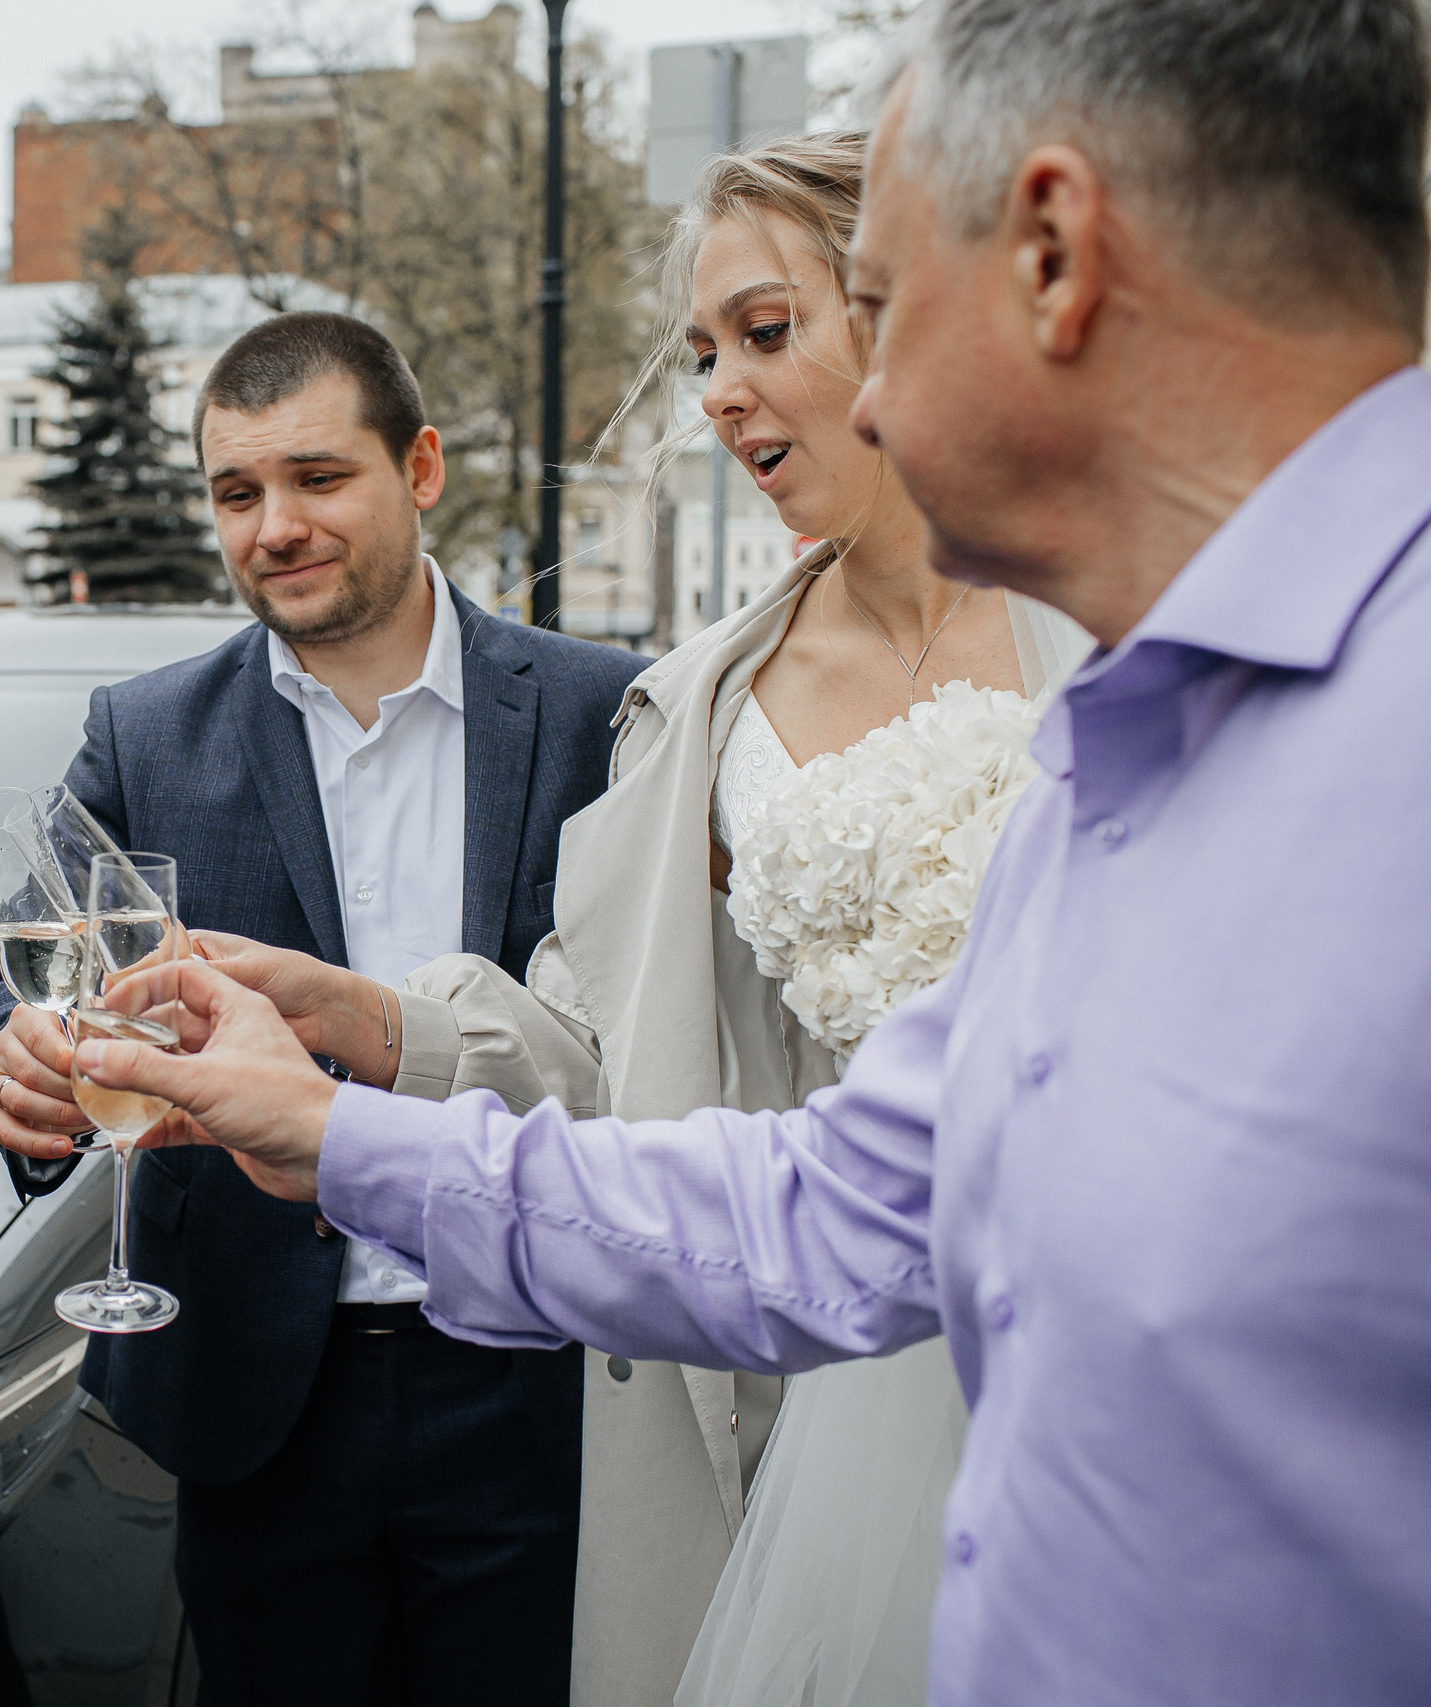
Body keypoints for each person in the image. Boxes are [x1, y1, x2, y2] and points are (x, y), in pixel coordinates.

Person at [68, 1, 1431, 1701]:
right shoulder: (1140, 725)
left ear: (1057, 257)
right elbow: (842, 1210)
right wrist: (337, 1123)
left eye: (868, 294)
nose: (721, 398)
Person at [188, 134, 1087, 1707]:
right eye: (701, 355)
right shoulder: (697, 710)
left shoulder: (1107, 615)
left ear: (908, 301)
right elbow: (621, 1058)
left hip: (1123, 1305)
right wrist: (371, 1027)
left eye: (766, 330)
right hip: (836, 1353)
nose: (721, 392)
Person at [0, 311, 646, 1703]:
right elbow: (16, 969)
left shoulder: (602, 712)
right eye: (235, 492)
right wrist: (17, 1060)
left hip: (531, 1366)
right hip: (257, 1390)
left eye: (319, 478)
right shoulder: (145, 731)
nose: (274, 525)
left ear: (425, 467)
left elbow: (643, 1034)